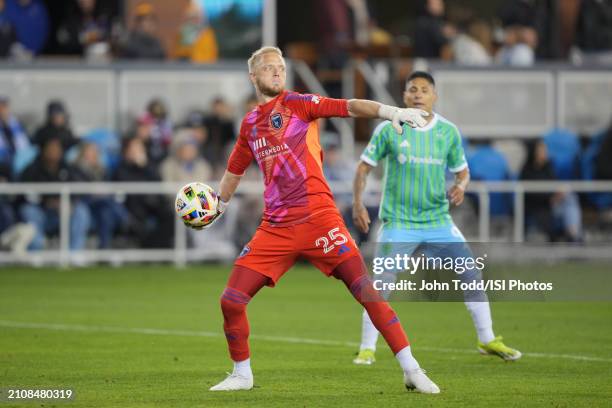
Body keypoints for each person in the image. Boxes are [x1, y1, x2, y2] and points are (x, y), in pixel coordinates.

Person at [189, 46, 440, 394]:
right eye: (268, 68)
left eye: (280, 67)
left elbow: (348, 106)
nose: (277, 72)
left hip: (321, 219)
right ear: (253, 76)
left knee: (368, 292)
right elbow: (233, 172)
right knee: (231, 300)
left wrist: (390, 111)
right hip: (275, 227)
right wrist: (217, 205)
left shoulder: (299, 104)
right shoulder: (249, 125)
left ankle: (412, 369)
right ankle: (242, 374)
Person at [351, 71, 522, 366]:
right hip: (399, 222)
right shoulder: (390, 129)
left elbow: (462, 170)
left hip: (437, 222)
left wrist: (461, 186)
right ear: (404, 96)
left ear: (434, 96)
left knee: (471, 272)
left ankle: (487, 338)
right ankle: (367, 348)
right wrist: (358, 204)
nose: (418, 94)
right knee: (381, 284)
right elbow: (363, 168)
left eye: (424, 90)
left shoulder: (448, 132)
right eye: (412, 89)